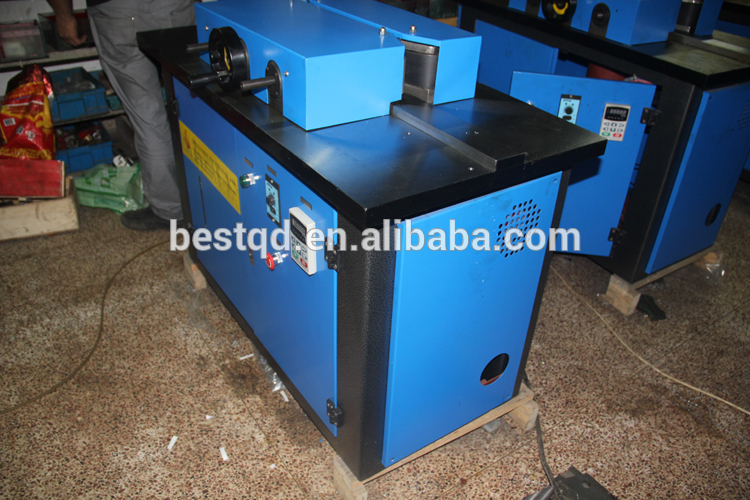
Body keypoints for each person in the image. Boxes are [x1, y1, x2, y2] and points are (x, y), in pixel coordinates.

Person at [48, 0, 195, 230]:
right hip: (175, 6)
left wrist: (64, 16)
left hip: (119, 11)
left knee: (148, 115)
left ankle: (170, 210)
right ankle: (208, 199)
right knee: (194, 103)